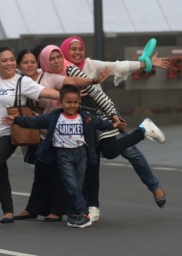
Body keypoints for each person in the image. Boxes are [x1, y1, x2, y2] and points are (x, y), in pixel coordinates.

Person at [60, 36, 169, 221]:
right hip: (79, 121)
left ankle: (154, 186)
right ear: (64, 51)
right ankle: (83, 206)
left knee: (129, 152)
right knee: (84, 162)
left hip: (105, 114)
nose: (77, 52)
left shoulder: (90, 65)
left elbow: (118, 66)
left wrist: (145, 64)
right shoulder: (61, 70)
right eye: (73, 49)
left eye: (80, 48)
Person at [13, 46, 114, 222]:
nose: (29, 65)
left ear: (37, 62)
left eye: (32, 61)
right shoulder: (18, 81)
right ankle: (33, 208)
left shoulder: (47, 77)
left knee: (60, 173)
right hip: (36, 132)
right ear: (19, 65)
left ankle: (57, 210)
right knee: (41, 173)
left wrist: (93, 80)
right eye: (25, 62)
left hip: (58, 133)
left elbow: (71, 81)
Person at [0, 46, 61, 226]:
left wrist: (66, 96)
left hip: (8, 132)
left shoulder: (22, 81)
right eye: (4, 60)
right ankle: (8, 211)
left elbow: (44, 92)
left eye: (11, 59)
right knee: (0, 172)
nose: (9, 63)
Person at [2, 85, 116, 228]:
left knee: (78, 185)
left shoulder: (84, 117)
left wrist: (114, 125)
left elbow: (100, 123)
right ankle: (83, 213)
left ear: (79, 102)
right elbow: (34, 122)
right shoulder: (55, 117)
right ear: (60, 102)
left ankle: (72, 213)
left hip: (81, 154)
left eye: (75, 102)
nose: (72, 105)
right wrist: (16, 120)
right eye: (68, 102)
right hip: (63, 155)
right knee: (72, 185)